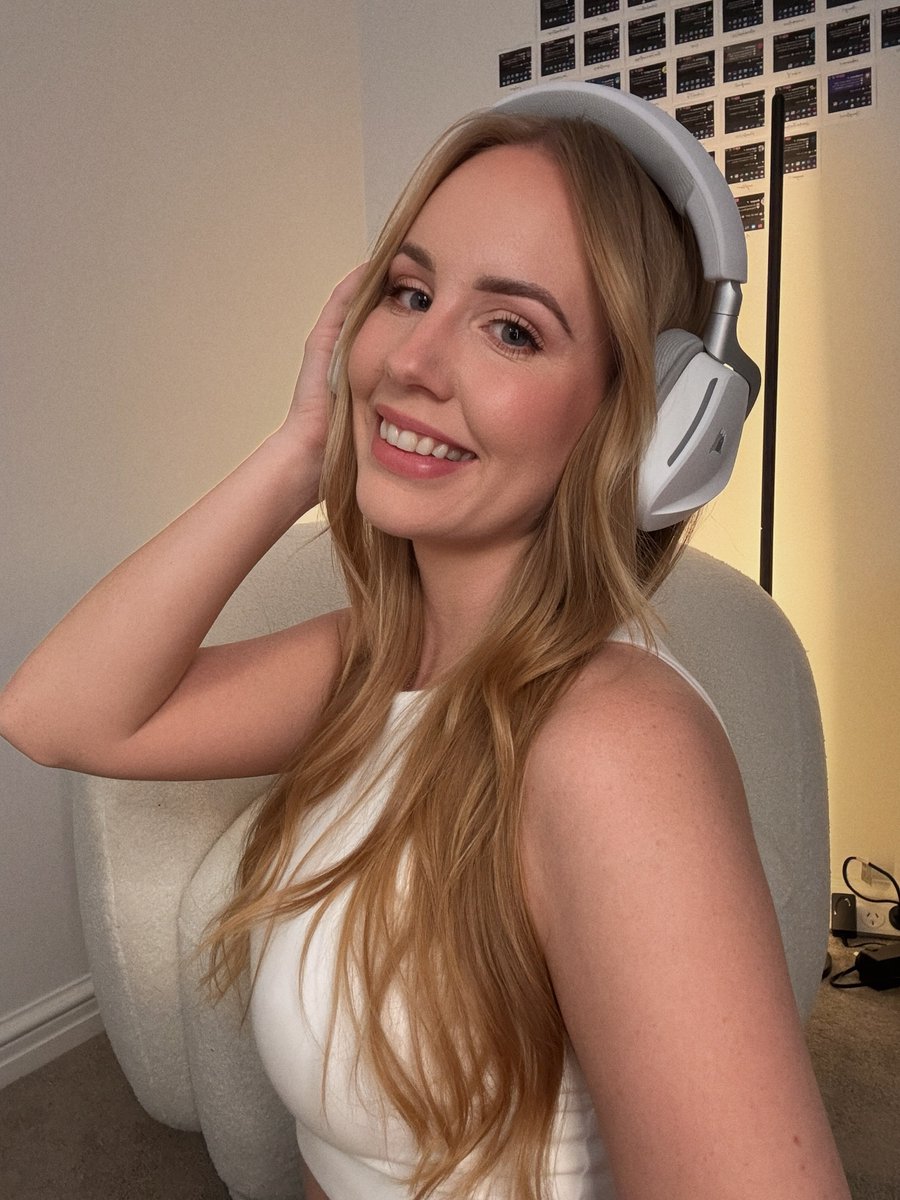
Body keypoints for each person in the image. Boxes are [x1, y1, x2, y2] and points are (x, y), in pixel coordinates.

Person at [0, 82, 850, 1200]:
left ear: (644, 424)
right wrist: (299, 450)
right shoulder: (375, 662)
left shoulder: (615, 748)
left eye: (513, 329)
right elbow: (55, 716)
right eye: (409, 293)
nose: (412, 359)